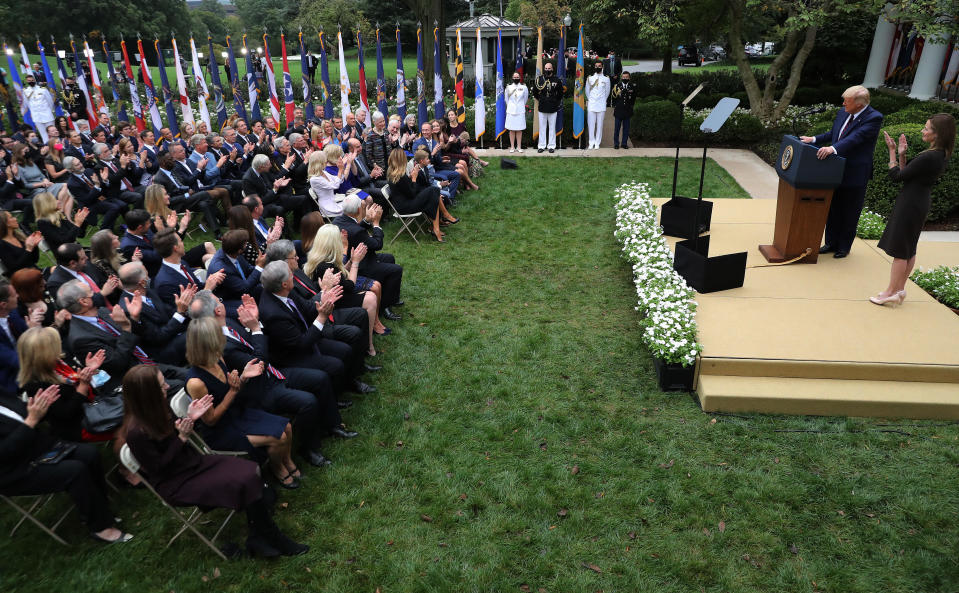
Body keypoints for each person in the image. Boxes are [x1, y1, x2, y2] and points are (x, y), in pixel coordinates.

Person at [121, 365, 308, 557]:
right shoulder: (136, 433)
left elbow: (172, 439)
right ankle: (272, 537)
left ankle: (258, 537)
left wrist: (189, 419)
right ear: (146, 394)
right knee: (246, 480)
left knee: (251, 470)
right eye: (161, 386)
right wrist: (182, 438)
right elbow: (159, 468)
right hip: (176, 482)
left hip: (191, 463)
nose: (167, 387)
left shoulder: (156, 409)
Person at [0, 384, 132, 543]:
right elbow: (5, 453)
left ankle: (101, 508)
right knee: (75, 471)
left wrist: (41, 405)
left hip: (36, 447)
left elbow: (23, 415)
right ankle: (100, 528)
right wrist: (31, 420)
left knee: (89, 454)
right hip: (14, 471)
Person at [184, 316, 300, 486]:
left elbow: (232, 388)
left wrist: (243, 377)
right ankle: (278, 468)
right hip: (221, 430)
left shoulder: (217, 358)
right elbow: (210, 420)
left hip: (237, 412)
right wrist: (232, 391)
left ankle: (286, 460)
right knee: (279, 437)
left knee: (287, 427)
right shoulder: (196, 382)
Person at [871, 115, 956, 306]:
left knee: (901, 251)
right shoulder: (940, 154)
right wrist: (902, 155)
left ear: (938, 133)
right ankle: (899, 290)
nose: (922, 131)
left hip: (911, 204)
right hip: (918, 201)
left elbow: (896, 176)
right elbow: (907, 175)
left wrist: (892, 152)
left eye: (926, 128)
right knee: (909, 249)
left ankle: (890, 292)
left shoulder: (929, 156)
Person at [800, 85, 883, 259]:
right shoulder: (843, 112)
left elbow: (855, 138)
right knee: (833, 208)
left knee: (849, 211)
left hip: (855, 172)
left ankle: (843, 247)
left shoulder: (874, 118)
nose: (843, 103)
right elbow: (835, 133)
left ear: (859, 104)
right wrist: (813, 139)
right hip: (834, 170)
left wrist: (833, 149)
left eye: (847, 100)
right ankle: (830, 242)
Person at [16, 327, 107, 442]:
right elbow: (66, 413)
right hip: (80, 425)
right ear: (44, 354)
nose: (60, 346)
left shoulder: (59, 362)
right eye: (55, 345)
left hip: (94, 408)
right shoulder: (36, 385)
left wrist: (89, 370)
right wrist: (83, 386)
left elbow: (78, 382)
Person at [333, 196, 404, 320]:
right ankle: (384, 307)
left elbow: (355, 230)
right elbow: (377, 245)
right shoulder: (356, 231)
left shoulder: (338, 220)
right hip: (359, 264)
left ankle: (390, 297)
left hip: (352, 256)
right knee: (396, 270)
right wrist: (376, 224)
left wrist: (366, 220)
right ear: (359, 210)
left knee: (389, 258)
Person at [389, 149, 458, 243]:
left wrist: (411, 178)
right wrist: (414, 178)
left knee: (434, 192)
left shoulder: (394, 174)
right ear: (401, 160)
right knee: (434, 191)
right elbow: (412, 193)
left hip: (404, 204)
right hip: (405, 207)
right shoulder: (400, 176)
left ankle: (437, 227)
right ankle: (440, 223)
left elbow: (407, 190)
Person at [531, 62, 565, 153]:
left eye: (549, 68)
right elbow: (535, 92)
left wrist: (554, 101)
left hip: (553, 107)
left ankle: (551, 146)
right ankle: (541, 146)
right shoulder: (540, 79)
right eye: (546, 68)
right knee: (542, 127)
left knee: (552, 127)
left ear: (552, 69)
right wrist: (541, 99)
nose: (547, 70)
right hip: (542, 107)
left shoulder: (556, 80)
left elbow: (560, 93)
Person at [308, 150, 351, 217]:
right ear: (320, 163)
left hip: (334, 199)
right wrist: (340, 170)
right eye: (325, 161)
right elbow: (335, 185)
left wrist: (341, 169)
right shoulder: (314, 179)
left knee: (357, 201)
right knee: (355, 204)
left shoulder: (323, 172)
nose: (327, 162)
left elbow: (339, 180)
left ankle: (360, 223)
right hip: (328, 206)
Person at [23, 75, 56, 143]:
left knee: (52, 132)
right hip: (37, 116)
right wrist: (33, 112)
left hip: (47, 114)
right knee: (43, 134)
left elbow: (50, 101)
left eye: (32, 80)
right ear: (27, 81)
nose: (31, 82)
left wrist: (48, 110)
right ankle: (48, 148)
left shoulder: (43, 89)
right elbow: (28, 104)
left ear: (34, 80)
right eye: (29, 81)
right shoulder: (26, 91)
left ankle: (56, 146)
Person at [586, 61, 611, 150]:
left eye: (599, 66)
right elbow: (587, 91)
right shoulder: (590, 78)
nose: (597, 67)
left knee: (600, 125)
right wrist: (591, 100)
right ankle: (591, 142)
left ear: (602, 67)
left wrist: (603, 100)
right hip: (592, 104)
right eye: (596, 66)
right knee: (591, 125)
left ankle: (597, 143)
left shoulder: (606, 79)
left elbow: (607, 92)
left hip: (601, 104)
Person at [611, 71, 637, 149]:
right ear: (621, 77)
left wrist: (631, 107)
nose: (625, 78)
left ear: (629, 78)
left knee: (626, 129)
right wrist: (615, 106)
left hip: (627, 111)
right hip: (619, 110)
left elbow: (633, 98)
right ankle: (616, 143)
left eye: (626, 77)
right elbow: (614, 97)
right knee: (617, 128)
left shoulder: (632, 86)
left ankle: (624, 143)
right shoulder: (617, 86)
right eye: (623, 77)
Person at [506, 72, 529, 153]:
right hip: (511, 111)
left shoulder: (524, 87)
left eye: (517, 77)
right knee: (511, 130)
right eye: (514, 77)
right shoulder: (508, 87)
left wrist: (520, 106)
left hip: (520, 111)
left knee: (519, 129)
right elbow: (507, 100)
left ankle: (519, 147)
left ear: (520, 78)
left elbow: (525, 99)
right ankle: (512, 147)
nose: (516, 78)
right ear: (512, 78)